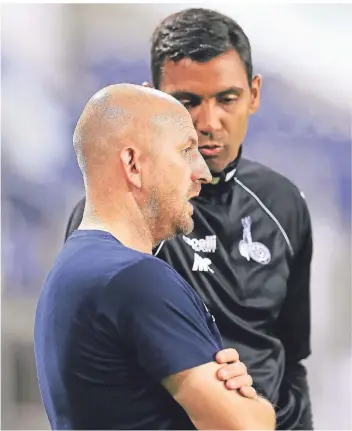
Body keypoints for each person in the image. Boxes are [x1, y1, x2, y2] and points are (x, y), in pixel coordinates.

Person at [65, 8, 314, 431]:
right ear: (152, 99)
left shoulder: (284, 204)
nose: (207, 122)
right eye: (187, 102)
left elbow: (290, 359)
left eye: (227, 99)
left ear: (254, 94)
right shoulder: (116, 220)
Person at [35, 83, 275, 430]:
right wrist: (251, 402)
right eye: (185, 151)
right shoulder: (136, 278)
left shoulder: (69, 269)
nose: (203, 173)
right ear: (133, 164)